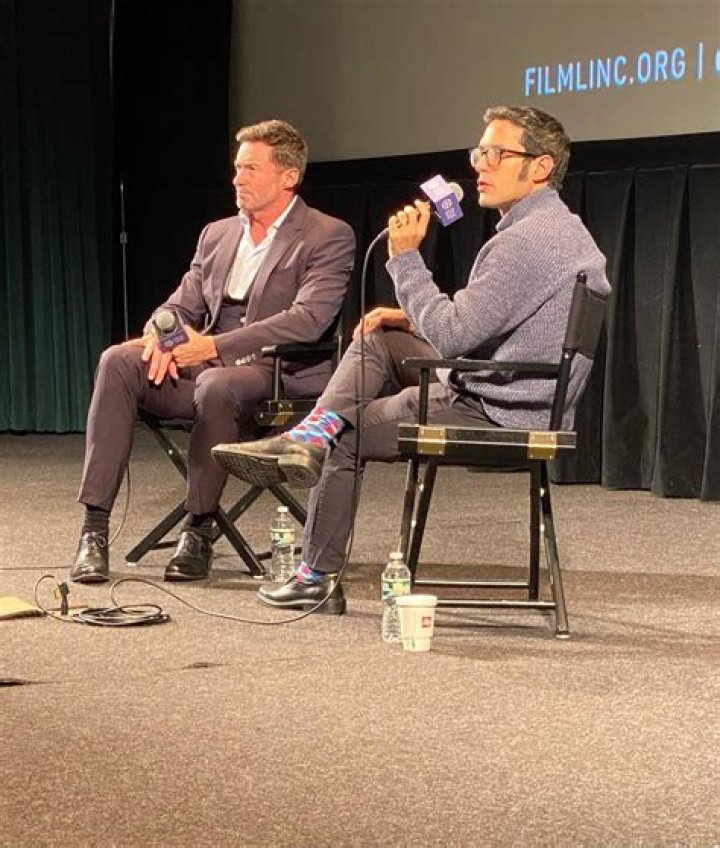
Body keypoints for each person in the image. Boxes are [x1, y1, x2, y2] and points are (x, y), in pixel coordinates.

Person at [211, 105, 611, 615]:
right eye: (479, 152)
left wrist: (404, 258)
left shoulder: (526, 241)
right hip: (514, 394)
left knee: (346, 435)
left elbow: (453, 334)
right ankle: (308, 435)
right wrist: (408, 316)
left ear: (541, 166)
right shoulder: (556, 228)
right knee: (381, 338)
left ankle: (316, 575)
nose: (481, 165)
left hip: (497, 411)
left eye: (497, 153)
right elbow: (480, 323)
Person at [71, 119, 356, 584]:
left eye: (250, 169)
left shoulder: (326, 234)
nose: (237, 179)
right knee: (118, 361)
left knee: (217, 382)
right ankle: (94, 530)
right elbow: (179, 306)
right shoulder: (217, 234)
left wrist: (213, 346)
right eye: (237, 168)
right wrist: (162, 337)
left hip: (275, 374)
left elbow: (308, 319)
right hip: (206, 371)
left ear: (288, 176)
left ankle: (198, 530)